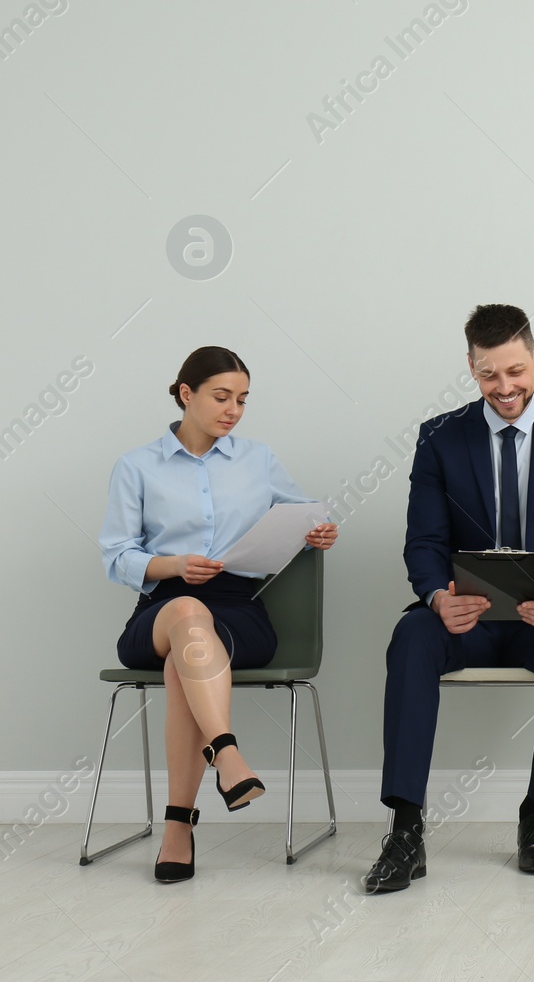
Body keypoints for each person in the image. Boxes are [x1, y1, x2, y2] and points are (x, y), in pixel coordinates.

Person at [365, 303, 534, 894]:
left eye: (513, 371)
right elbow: (423, 542)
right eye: (487, 375)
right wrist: (434, 597)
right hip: (467, 618)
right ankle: (405, 830)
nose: (503, 388)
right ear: (471, 369)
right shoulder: (439, 437)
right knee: (410, 637)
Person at [99, 347, 338, 884]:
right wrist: (174, 563)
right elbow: (116, 556)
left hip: (237, 611)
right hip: (160, 608)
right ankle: (227, 755)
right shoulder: (137, 466)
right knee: (184, 610)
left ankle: (177, 828)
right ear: (187, 394)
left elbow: (302, 516)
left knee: (184, 661)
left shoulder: (258, 459)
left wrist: (320, 531)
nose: (234, 410)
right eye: (221, 397)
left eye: (243, 400)